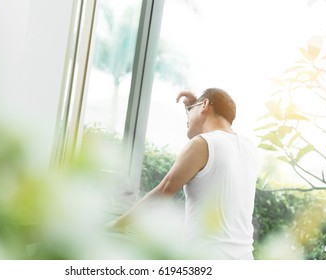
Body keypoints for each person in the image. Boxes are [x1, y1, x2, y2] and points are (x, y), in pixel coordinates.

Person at [108, 88, 258, 260]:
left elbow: (164, 191)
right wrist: (195, 110)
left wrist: (118, 224)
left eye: (190, 111)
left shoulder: (202, 144)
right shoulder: (249, 148)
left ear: (206, 105)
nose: (186, 119)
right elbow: (215, 154)